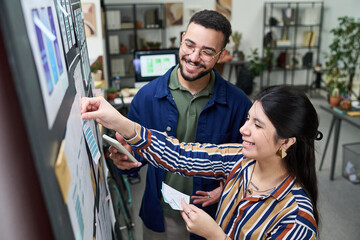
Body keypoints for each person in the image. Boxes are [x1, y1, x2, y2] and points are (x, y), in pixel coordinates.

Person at [81, 85, 321, 239]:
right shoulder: (240, 159)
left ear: (287, 142)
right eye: (248, 119)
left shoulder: (296, 216)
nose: (243, 129)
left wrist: (214, 235)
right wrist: (118, 121)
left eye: (257, 125)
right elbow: (181, 154)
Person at [108, 9, 252, 240]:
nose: (194, 57)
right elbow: (136, 158)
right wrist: (125, 160)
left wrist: (227, 188)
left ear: (221, 55)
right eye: (189, 45)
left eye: (207, 52)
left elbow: (254, 163)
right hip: (160, 213)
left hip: (211, 219)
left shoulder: (239, 104)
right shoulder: (147, 97)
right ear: (182, 38)